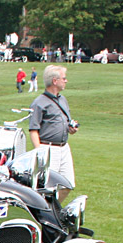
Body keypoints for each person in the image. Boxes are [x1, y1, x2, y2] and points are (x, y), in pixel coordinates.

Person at [28, 65, 78, 203]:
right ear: (55, 81)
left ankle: (52, 211)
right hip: (48, 149)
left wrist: (70, 129)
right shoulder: (39, 103)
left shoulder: (63, 100)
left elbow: (64, 123)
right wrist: (39, 151)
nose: (66, 81)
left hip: (64, 148)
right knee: (48, 187)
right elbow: (33, 129)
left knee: (67, 184)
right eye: (64, 78)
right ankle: (44, 215)